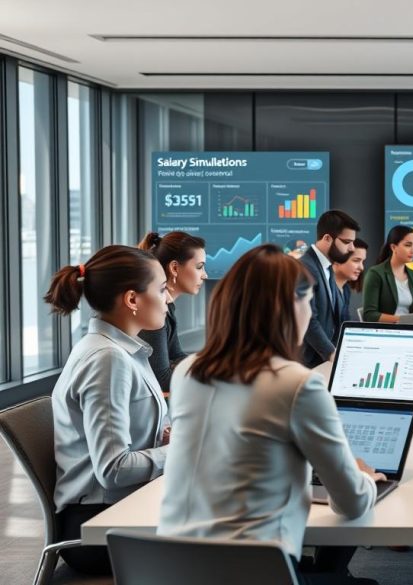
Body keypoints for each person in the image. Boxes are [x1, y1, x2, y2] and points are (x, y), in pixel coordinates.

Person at [158, 244, 382, 585]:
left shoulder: (189, 373)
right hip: (259, 573)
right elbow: (351, 504)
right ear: (290, 308)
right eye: (308, 302)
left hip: (175, 570)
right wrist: (364, 476)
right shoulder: (297, 384)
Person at [44, 245, 171, 575]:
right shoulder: (107, 359)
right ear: (132, 300)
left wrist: (163, 438)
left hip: (119, 511)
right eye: (161, 289)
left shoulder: (120, 351)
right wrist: (179, 452)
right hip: (98, 528)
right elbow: (114, 469)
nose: (168, 299)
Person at [137, 231, 207, 392]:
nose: (205, 275)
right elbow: (162, 378)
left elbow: (176, 356)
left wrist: (215, 366)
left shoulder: (167, 306)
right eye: (199, 267)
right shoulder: (154, 308)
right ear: (174, 268)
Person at [300, 210, 361, 367]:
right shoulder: (305, 267)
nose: (352, 248)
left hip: (324, 362)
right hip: (311, 364)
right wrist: (332, 354)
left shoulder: (326, 268)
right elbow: (307, 319)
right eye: (347, 242)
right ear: (327, 238)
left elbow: (338, 316)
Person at [361, 225, 413, 323]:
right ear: (393, 247)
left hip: (410, 332)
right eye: (408, 245)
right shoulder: (375, 274)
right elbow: (369, 315)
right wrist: (405, 320)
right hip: (385, 332)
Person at [332, 238, 369, 322]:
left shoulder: (345, 290)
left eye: (362, 261)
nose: (361, 267)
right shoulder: (322, 289)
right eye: (356, 260)